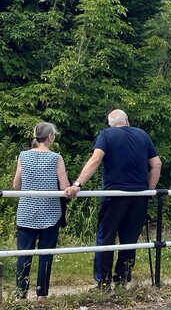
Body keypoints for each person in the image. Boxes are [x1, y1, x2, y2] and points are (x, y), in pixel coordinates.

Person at [67, 109, 161, 288]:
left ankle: (103, 281)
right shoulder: (142, 134)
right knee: (129, 239)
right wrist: (149, 191)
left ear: (110, 124)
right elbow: (156, 164)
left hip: (114, 195)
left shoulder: (106, 135)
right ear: (127, 120)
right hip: (139, 195)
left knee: (106, 238)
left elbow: (95, 160)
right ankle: (122, 280)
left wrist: (78, 184)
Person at [11, 122, 72, 299]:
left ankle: (20, 294)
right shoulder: (56, 158)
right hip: (50, 213)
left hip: (26, 212)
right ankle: (41, 294)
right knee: (46, 254)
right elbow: (64, 186)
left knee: (23, 254)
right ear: (51, 137)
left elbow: (16, 186)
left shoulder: (23, 156)